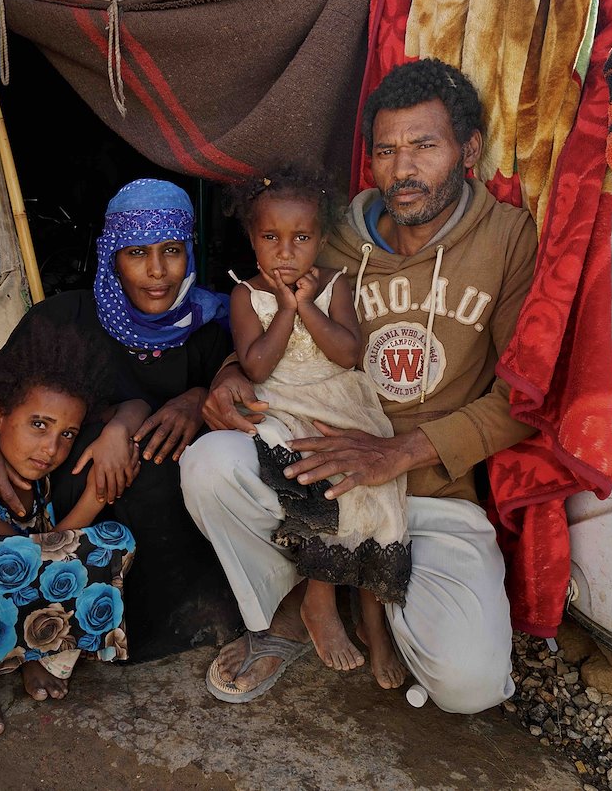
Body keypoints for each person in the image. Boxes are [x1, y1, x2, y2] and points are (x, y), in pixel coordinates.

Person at [182, 58, 539, 710]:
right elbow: (268, 301)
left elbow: (523, 400)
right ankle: (297, 605)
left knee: (472, 684)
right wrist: (231, 373)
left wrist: (398, 452)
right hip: (322, 465)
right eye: (385, 150)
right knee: (210, 464)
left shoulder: (509, 239)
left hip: (432, 487)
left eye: (424, 146)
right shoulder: (332, 232)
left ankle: (375, 594)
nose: (402, 168)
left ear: (469, 151)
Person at [0, 179, 241, 663]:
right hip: (65, 519)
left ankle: (178, 623)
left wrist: (199, 396)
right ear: (112, 258)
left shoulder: (211, 329)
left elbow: (247, 408)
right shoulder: (63, 319)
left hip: (169, 546)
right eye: (135, 253)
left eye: (171, 250)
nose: (156, 271)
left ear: (190, 251)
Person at [223, 165, 409, 690]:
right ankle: (321, 602)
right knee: (317, 479)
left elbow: (348, 354)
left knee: (373, 490)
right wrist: (285, 310)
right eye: (271, 238)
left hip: (339, 400)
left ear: (322, 240)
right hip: (283, 402)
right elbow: (256, 369)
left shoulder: (334, 285)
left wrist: (308, 305)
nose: (286, 252)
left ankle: (373, 620)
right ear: (252, 241)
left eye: (301, 238)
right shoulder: (246, 295)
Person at [0, 319, 135, 739]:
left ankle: (40, 654)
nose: (51, 448)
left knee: (113, 543)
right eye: (39, 424)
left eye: (66, 434)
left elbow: (134, 406)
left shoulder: (38, 476)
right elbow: (23, 555)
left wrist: (120, 430)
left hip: (29, 587)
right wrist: (93, 501)